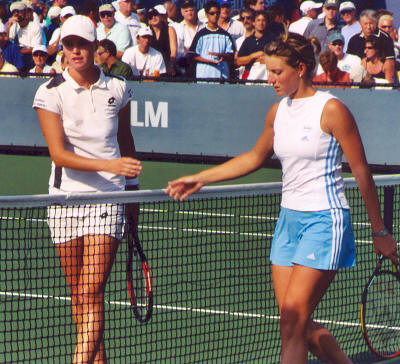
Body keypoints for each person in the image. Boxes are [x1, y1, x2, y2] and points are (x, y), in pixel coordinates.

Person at [165, 31, 398, 364]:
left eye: (277, 72)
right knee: (297, 327)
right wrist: (199, 177)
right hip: (288, 222)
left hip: (324, 221)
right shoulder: (277, 111)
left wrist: (379, 230)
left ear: (300, 68)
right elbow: (254, 157)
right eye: (268, 71)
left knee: (291, 321)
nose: (270, 79)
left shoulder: (332, 110)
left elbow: (361, 173)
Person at [32, 14, 141, 364]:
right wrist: (110, 165)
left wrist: (134, 194)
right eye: (69, 45)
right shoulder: (50, 92)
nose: (76, 51)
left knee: (91, 291)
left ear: (96, 47)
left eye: (82, 44)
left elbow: (126, 143)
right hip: (64, 202)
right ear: (62, 48)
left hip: (107, 199)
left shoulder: (119, 89)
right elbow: (58, 154)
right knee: (79, 297)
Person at [189, 0, 235, 79]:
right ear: (206, 14)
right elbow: (193, 55)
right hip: (204, 76)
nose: (215, 15)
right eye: (212, 13)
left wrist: (220, 55)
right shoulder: (200, 34)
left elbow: (231, 54)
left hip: (222, 76)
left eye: (217, 13)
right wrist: (209, 61)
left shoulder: (226, 35)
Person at [347, 9, 395, 80]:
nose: (368, 27)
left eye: (371, 23)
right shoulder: (354, 40)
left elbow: (390, 62)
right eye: (365, 24)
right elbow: (350, 62)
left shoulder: (385, 38)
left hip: (381, 77)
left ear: (376, 23)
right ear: (360, 24)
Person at [236, 10, 273, 80]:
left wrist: (265, 59)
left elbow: (278, 59)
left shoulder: (273, 39)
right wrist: (253, 56)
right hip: (251, 77)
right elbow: (239, 61)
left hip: (267, 77)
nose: (261, 23)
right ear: (253, 23)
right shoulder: (248, 41)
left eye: (263, 20)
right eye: (258, 20)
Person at [174, 0, 204, 76]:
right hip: (186, 66)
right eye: (186, 11)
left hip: (203, 63)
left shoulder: (204, 26)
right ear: (182, 13)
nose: (189, 13)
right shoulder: (178, 28)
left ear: (195, 10)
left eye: (191, 10)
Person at [147, 7, 177, 75]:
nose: (154, 17)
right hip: (152, 65)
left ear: (160, 16)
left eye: (156, 15)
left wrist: (170, 65)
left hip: (167, 65)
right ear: (148, 21)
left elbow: (173, 50)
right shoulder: (147, 32)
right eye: (150, 17)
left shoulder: (170, 29)